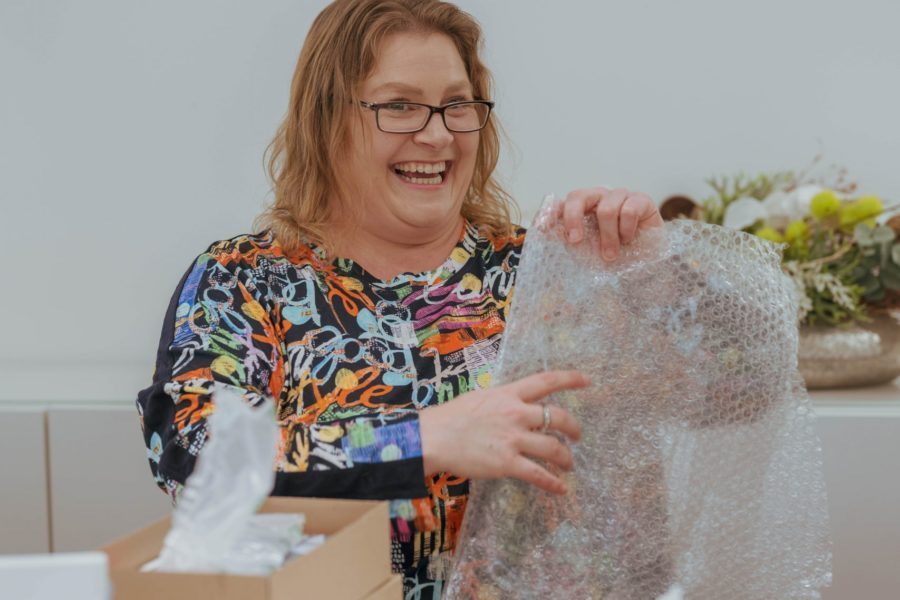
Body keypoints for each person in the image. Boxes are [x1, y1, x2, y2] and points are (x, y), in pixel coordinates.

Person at [136, 0, 664, 597]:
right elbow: (196, 461)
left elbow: (734, 393)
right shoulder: (247, 281)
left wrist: (662, 274)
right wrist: (423, 439)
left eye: (456, 105)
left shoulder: (550, 270)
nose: (436, 134)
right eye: (399, 106)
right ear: (327, 119)